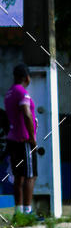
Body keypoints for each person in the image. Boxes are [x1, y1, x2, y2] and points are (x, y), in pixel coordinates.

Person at [4, 63, 38, 216]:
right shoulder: (22, 93)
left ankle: (18, 213)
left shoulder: (9, 93)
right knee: (30, 175)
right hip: (23, 141)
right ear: (27, 77)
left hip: (12, 140)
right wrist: (32, 137)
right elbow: (26, 113)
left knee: (18, 176)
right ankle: (28, 211)